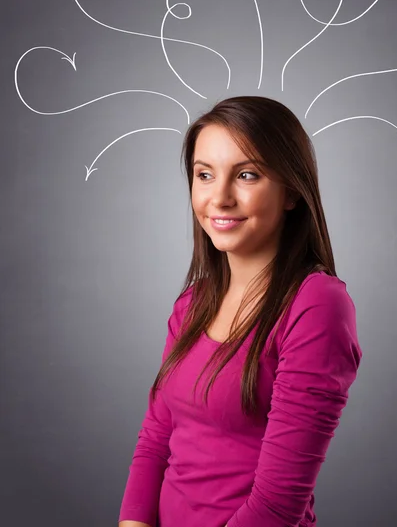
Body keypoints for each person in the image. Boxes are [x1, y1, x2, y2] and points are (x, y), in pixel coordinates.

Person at [118, 96, 363, 527]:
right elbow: (156, 440)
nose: (220, 197)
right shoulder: (192, 303)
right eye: (204, 175)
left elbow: (278, 503)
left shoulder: (317, 305)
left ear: (290, 191)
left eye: (247, 175)